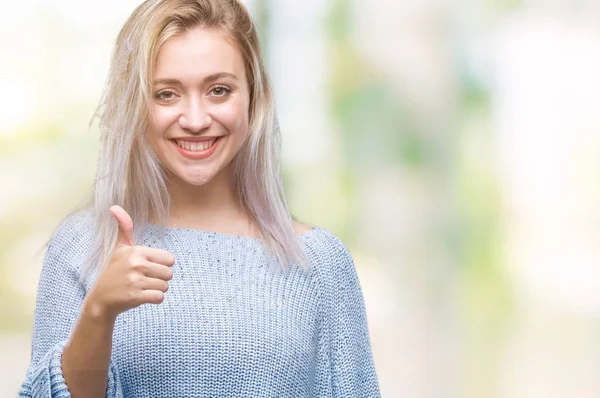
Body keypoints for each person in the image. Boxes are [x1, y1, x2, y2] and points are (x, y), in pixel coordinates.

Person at [18, 0, 381, 396]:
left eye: (219, 90)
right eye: (167, 94)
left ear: (254, 98)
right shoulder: (82, 248)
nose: (195, 119)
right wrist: (99, 313)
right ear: (136, 104)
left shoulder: (318, 263)